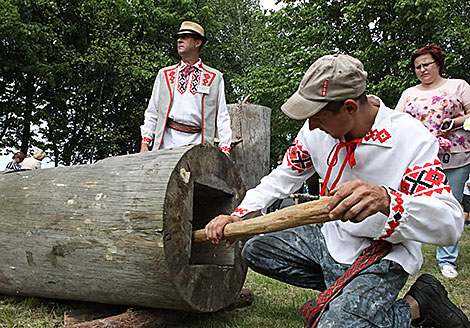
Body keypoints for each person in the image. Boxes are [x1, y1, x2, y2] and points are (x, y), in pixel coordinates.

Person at [204, 54, 469, 328]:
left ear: (350, 107)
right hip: (331, 238)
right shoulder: (316, 132)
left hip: (383, 251)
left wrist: (388, 200)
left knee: (335, 326)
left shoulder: (411, 139)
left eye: (318, 117)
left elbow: (449, 224)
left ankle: (419, 304)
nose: (311, 126)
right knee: (256, 249)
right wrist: (238, 216)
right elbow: (283, 176)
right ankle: (347, 296)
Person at [396, 43, 470, 280]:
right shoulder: (409, 93)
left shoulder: (459, 86)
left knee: (452, 207)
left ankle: (447, 260)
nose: (422, 70)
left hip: (456, 155)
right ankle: (406, 254)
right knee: (414, 206)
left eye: (426, 64)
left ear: (438, 64)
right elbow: (397, 121)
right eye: (417, 66)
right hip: (420, 159)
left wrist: (456, 123)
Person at [140, 21, 232, 156]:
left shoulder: (214, 78)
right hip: (166, 142)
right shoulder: (165, 75)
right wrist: (145, 143)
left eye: (185, 36)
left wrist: (225, 149)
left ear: (197, 42)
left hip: (199, 144)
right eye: (178, 37)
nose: (179, 40)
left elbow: (222, 116)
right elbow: (153, 111)